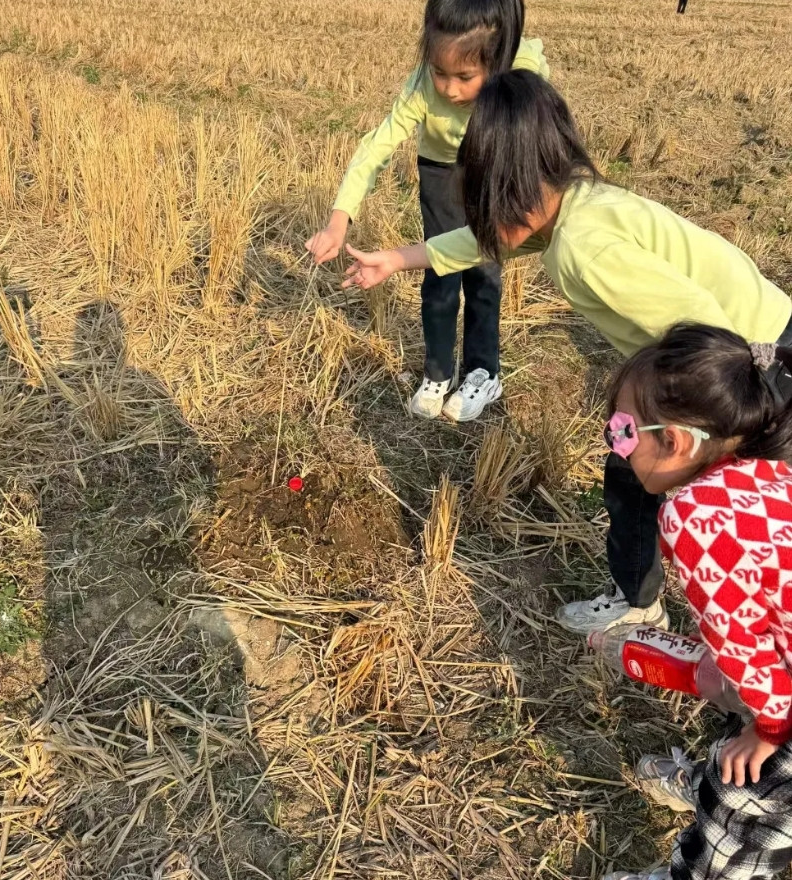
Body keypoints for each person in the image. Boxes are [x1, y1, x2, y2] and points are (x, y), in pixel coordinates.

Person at [340, 70, 792, 636]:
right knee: (632, 464)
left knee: (734, 514)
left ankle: (745, 653)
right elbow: (485, 241)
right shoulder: (569, 203)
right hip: (748, 344)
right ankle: (642, 597)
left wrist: (711, 438)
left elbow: (712, 332)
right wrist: (399, 259)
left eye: (482, 206)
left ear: (511, 197)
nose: (480, 223)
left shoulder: (585, 250)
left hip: (747, 370)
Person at [598, 323, 792, 880]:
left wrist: (771, 728)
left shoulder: (694, 517)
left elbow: (745, 647)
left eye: (623, 431)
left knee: (742, 809)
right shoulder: (764, 473)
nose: (616, 444)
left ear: (675, 440)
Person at [305, 0, 549, 423]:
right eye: (440, 72)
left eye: (465, 77)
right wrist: (338, 219)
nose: (449, 89)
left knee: (483, 270)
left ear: (497, 60)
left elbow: (542, 141)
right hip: (439, 171)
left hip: (492, 171)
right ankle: (438, 372)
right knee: (438, 270)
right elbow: (376, 146)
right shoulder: (423, 85)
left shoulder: (519, 74)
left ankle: (483, 372)